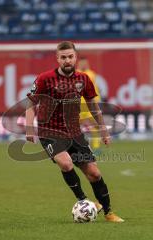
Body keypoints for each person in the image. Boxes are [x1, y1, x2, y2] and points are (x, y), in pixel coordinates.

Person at [26, 41, 124, 223]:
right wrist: (29, 127)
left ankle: (109, 212)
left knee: (94, 173)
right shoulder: (44, 79)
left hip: (74, 132)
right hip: (50, 132)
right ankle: (83, 201)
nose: (67, 60)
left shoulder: (84, 79)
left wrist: (103, 131)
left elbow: (94, 108)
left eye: (70, 56)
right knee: (66, 163)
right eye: (63, 57)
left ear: (75, 57)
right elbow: (31, 104)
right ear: (57, 59)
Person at [78, 57, 101, 150]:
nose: (84, 65)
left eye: (85, 63)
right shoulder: (75, 74)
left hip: (89, 104)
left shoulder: (91, 74)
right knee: (75, 125)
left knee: (94, 125)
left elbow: (93, 89)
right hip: (78, 104)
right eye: (82, 63)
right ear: (78, 64)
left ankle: (96, 147)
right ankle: (78, 146)